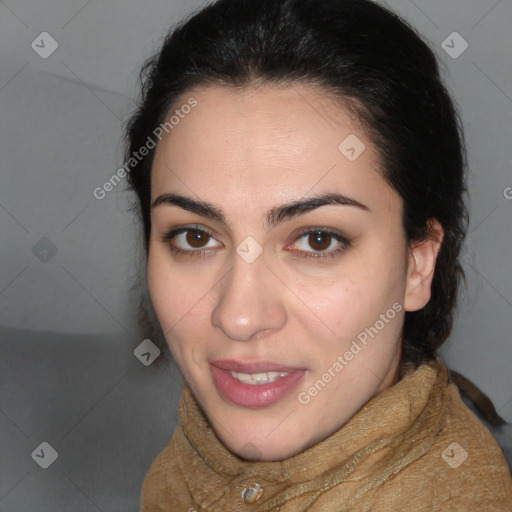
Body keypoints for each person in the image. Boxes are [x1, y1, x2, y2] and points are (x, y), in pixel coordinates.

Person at [123, 0, 512, 509]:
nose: (239, 315)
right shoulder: (181, 470)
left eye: (317, 240)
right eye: (196, 237)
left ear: (418, 263)